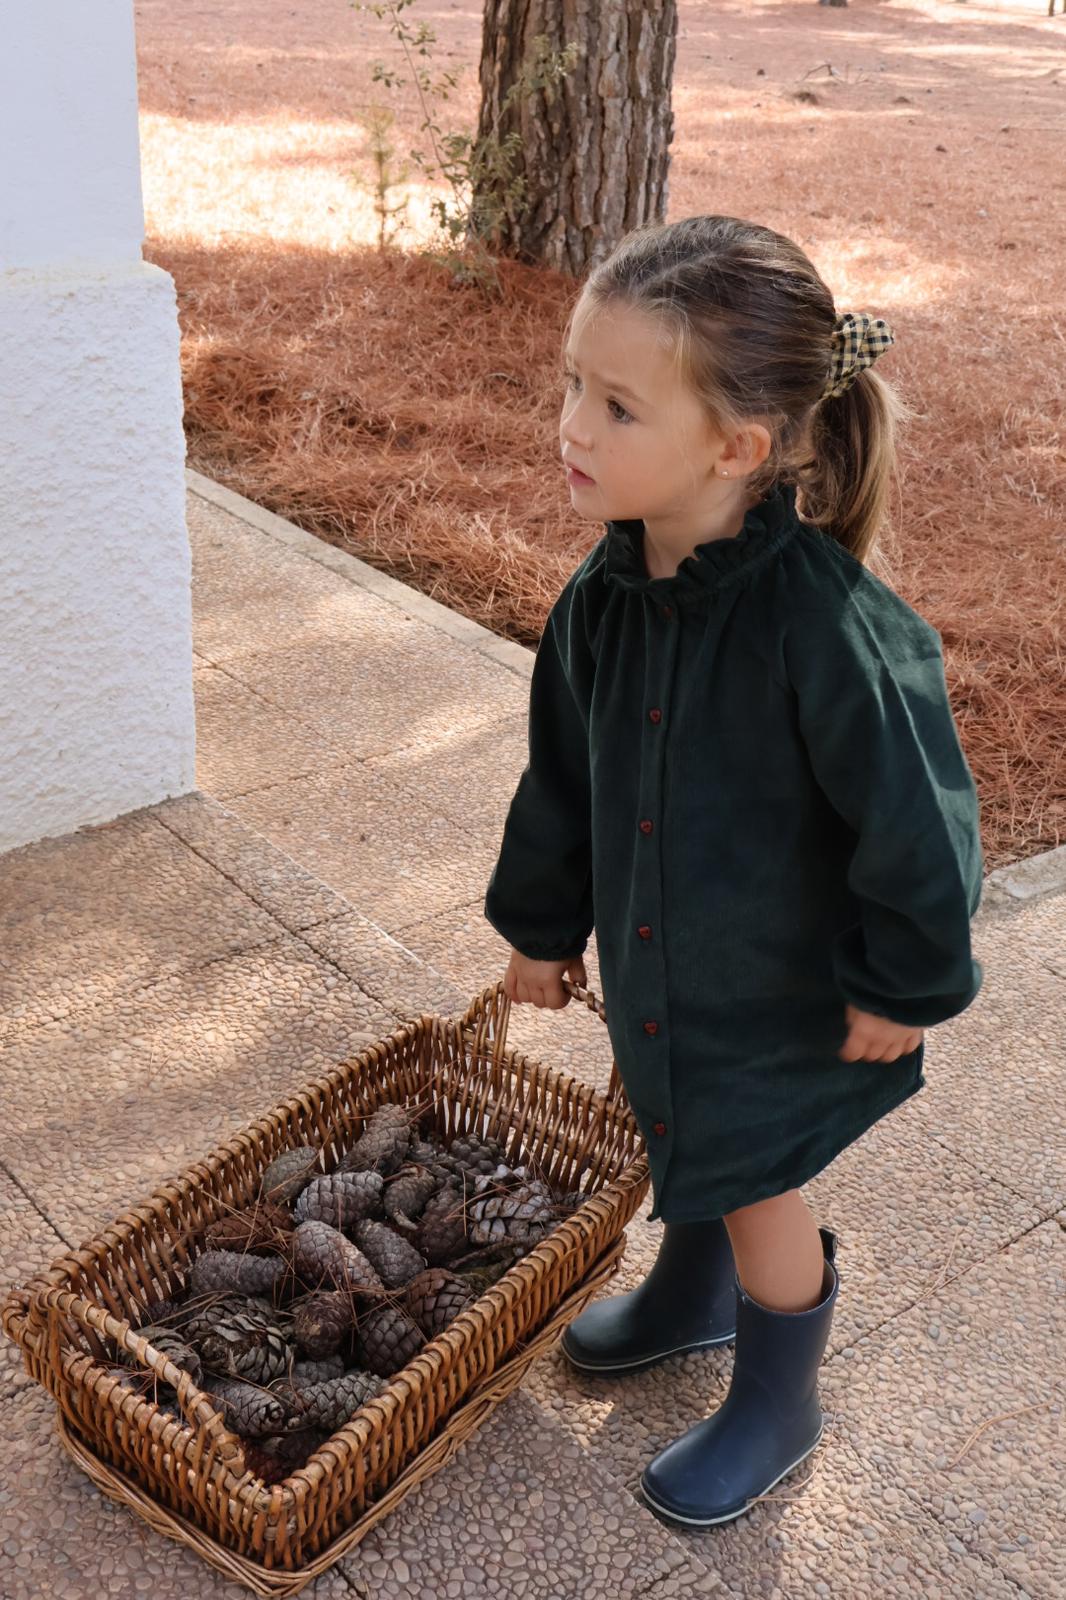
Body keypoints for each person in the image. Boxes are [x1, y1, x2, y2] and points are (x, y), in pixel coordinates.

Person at [482, 215, 984, 1528]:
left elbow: (917, 822)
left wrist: (905, 980)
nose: (571, 428)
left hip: (780, 995)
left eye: (614, 404)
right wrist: (539, 928)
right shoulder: (601, 600)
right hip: (667, 972)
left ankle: (776, 1396)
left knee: (754, 1178)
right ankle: (689, 1297)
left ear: (735, 448)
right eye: (569, 388)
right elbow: (564, 779)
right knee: (677, 1127)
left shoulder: (822, 629)